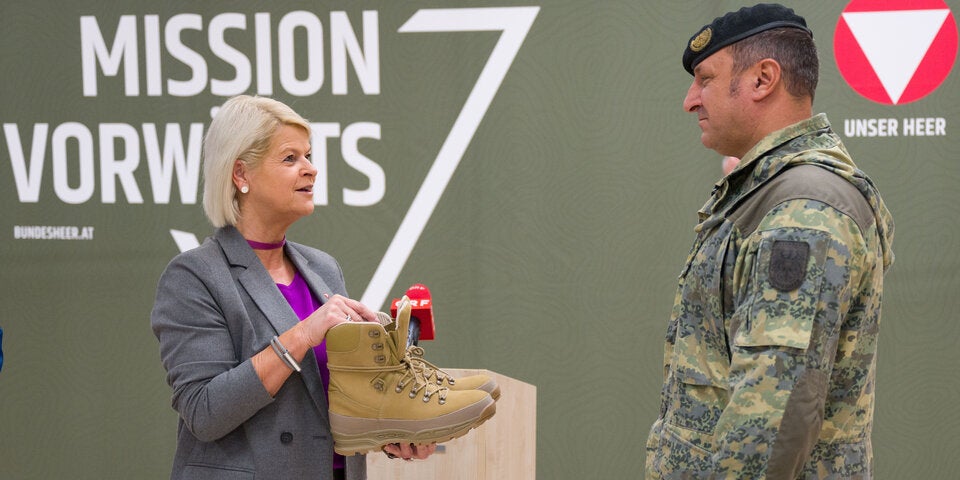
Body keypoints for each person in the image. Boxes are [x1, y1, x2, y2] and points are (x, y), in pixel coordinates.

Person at [645, 4, 895, 479]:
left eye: (705, 79)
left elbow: (773, 412)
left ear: (762, 80)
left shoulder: (804, 210)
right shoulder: (770, 194)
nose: (690, 100)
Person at [151, 95, 434, 480]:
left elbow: (329, 406)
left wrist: (392, 434)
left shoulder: (323, 268)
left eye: (309, 156)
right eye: (290, 158)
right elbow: (204, 411)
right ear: (241, 174)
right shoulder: (194, 276)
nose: (311, 170)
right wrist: (303, 334)